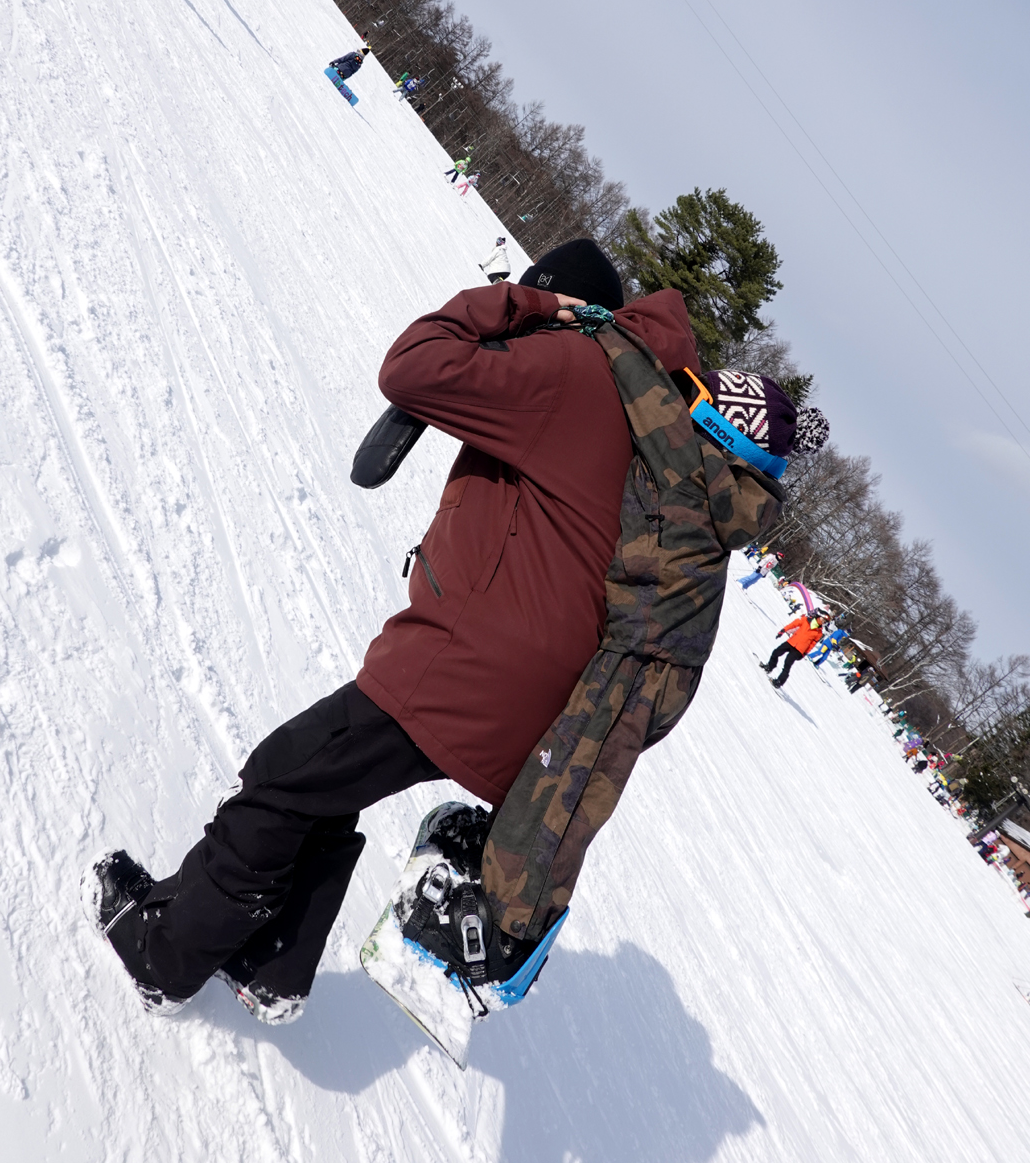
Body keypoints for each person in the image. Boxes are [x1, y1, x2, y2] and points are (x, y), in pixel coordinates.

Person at [86, 240, 713, 1021]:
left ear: (562, 306)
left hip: (467, 670)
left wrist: (517, 307)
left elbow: (413, 365)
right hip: (537, 693)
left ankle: (165, 956)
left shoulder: (567, 367)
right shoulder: (640, 409)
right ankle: (269, 964)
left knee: (285, 775)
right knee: (329, 778)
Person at [760, 612, 824, 688]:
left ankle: (779, 682)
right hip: (792, 642)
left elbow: (812, 644)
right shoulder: (806, 620)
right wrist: (783, 630)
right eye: (822, 619)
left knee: (787, 663)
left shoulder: (819, 632)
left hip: (799, 649)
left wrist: (805, 653)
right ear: (818, 617)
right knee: (776, 652)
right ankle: (769, 667)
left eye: (825, 621)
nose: (823, 621)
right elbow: (794, 624)